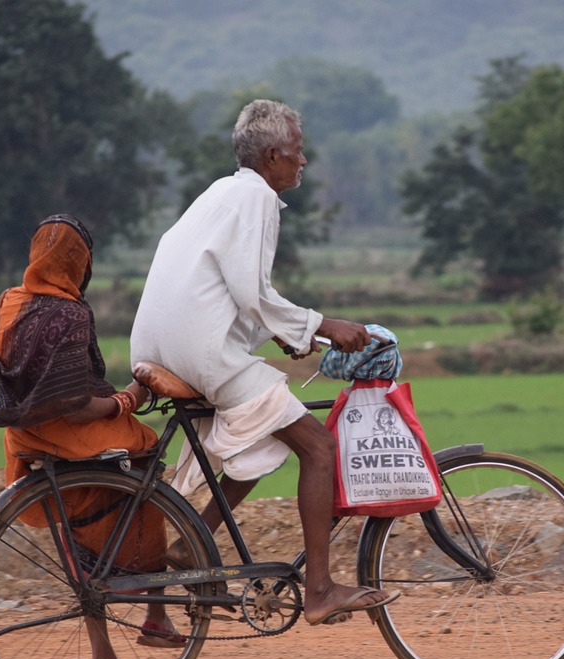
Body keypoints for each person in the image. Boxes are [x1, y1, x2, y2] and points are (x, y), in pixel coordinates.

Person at [130, 99, 398, 626]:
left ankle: (193, 540)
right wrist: (325, 326)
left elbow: (224, 292)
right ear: (273, 155)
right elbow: (253, 291)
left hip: (165, 342)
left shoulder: (223, 192)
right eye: (298, 153)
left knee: (270, 428)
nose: (304, 162)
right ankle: (319, 590)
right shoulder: (255, 198)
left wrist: (288, 333)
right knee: (318, 447)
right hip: (199, 350)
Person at [0, 214, 184, 659]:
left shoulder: (7, 303)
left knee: (74, 519)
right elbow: (80, 407)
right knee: (147, 462)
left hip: (26, 439)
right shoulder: (68, 314)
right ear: (79, 265)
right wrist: (129, 398)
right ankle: (157, 613)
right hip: (74, 433)